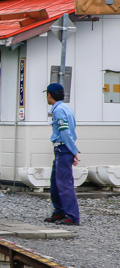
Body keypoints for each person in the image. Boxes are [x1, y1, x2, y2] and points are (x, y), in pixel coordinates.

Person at [44, 83, 80, 225]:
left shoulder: (58, 111)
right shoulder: (66, 108)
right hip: (63, 149)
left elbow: (65, 132)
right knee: (55, 183)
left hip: (63, 149)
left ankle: (72, 216)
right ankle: (59, 212)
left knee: (64, 184)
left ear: (49, 95)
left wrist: (74, 150)